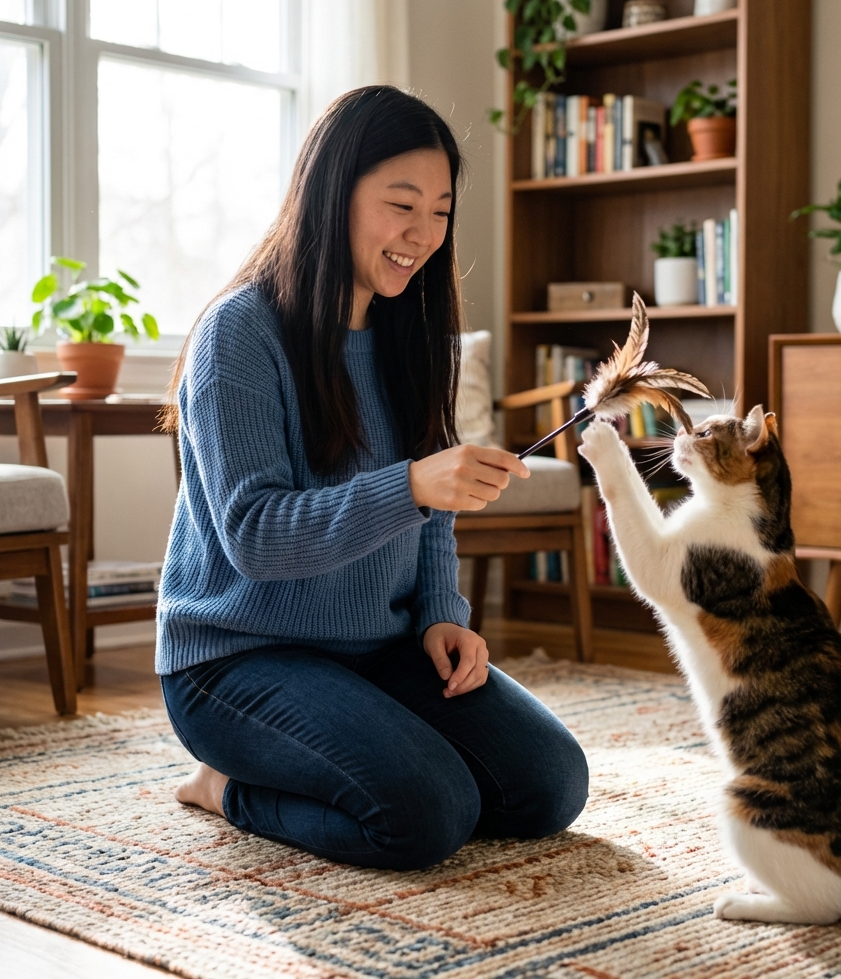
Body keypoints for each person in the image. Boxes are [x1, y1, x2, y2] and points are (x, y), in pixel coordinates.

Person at [156, 86, 589, 871]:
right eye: (401, 205)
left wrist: (439, 613)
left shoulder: (413, 332)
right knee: (428, 815)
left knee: (550, 785)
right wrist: (413, 486)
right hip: (237, 659)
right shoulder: (240, 334)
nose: (421, 235)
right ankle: (225, 787)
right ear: (333, 193)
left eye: (441, 211)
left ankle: (361, 741)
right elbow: (254, 537)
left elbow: (435, 514)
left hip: (378, 645)